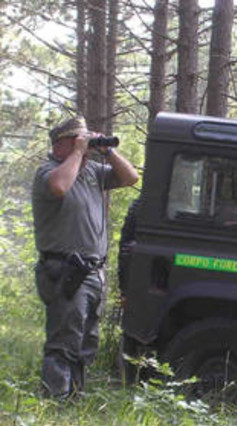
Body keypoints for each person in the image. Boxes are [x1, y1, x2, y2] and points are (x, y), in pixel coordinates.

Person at [32, 116, 140, 399]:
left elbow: (131, 178)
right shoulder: (49, 171)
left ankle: (74, 398)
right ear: (61, 144)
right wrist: (79, 152)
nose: (86, 143)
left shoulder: (92, 171)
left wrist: (108, 151)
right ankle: (55, 401)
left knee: (86, 342)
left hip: (92, 273)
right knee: (64, 340)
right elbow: (59, 187)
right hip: (65, 270)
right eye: (78, 139)